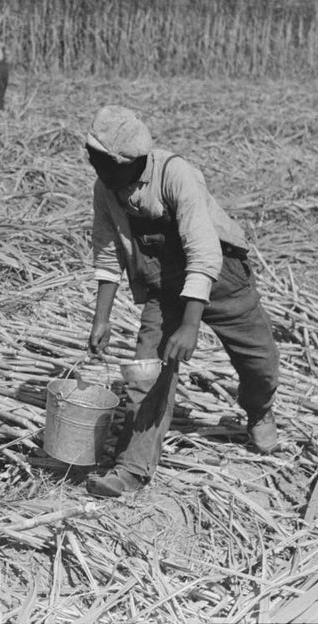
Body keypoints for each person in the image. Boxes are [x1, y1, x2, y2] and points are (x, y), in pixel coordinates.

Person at [84, 105, 279, 498]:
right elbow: (108, 253)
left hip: (222, 276)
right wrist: (100, 319)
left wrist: (190, 325)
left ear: (129, 161)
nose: (91, 162)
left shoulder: (175, 174)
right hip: (165, 286)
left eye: (99, 157)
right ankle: (132, 469)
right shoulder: (106, 188)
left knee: (261, 362)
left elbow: (204, 251)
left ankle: (258, 409)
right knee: (147, 371)